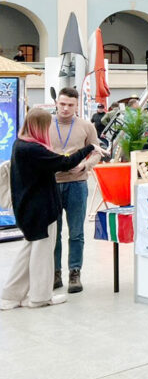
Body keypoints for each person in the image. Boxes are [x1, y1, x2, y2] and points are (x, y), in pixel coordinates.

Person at [1, 109, 96, 310]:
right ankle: (39, 297)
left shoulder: (20, 144)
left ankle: (11, 294)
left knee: (29, 252)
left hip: (29, 209)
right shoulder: (33, 149)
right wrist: (89, 148)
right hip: (41, 210)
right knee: (42, 255)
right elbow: (64, 162)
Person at [49, 87, 101, 294]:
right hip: (50, 184)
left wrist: (84, 166)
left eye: (70, 105)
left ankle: (74, 272)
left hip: (78, 183)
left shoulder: (87, 126)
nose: (65, 108)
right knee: (54, 232)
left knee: (77, 232)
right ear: (56, 104)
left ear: (76, 105)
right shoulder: (46, 125)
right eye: (62, 104)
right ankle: (55, 272)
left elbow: (97, 152)